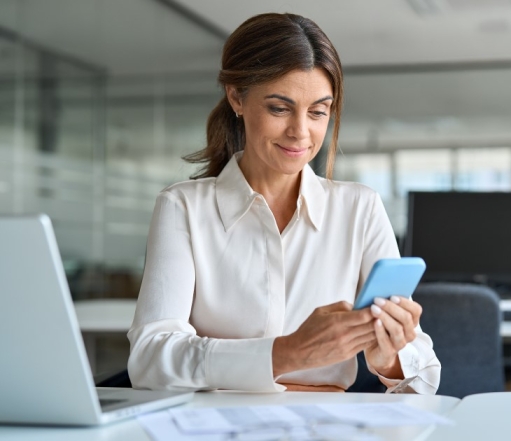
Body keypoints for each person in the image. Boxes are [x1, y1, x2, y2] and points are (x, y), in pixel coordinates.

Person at [127, 12, 440, 394]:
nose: (301, 132)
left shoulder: (359, 208)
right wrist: (288, 353)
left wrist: (387, 355)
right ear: (236, 97)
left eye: (318, 112)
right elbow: (149, 360)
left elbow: (423, 379)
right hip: (217, 426)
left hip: (323, 426)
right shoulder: (184, 207)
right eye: (279, 108)